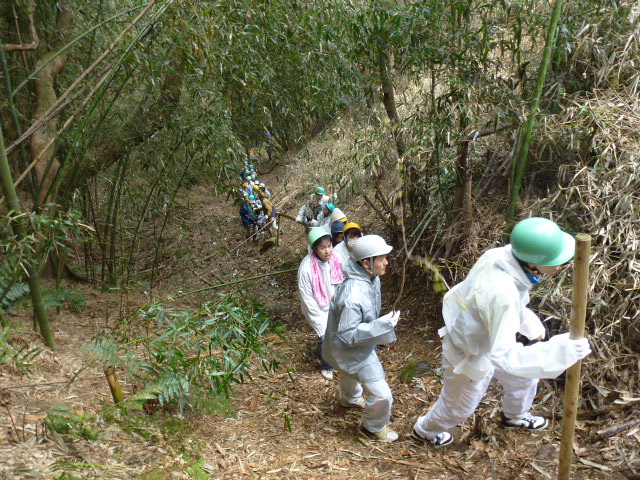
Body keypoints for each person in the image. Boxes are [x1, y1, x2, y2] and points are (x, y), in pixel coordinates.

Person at [412, 217, 592, 447]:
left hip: (485, 334)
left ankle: (514, 417)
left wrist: (524, 318)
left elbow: (487, 299)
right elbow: (505, 356)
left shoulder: (501, 256)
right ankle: (425, 430)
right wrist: (558, 351)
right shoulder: (501, 294)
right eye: (554, 261)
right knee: (459, 406)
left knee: (525, 378)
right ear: (532, 262)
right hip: (469, 352)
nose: (559, 266)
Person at [322, 235, 401, 442]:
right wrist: (383, 325)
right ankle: (373, 426)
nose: (386, 262)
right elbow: (348, 334)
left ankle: (349, 399)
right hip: (350, 346)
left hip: (347, 345)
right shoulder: (353, 293)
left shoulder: (369, 278)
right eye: (382, 258)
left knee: (348, 371)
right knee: (382, 394)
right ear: (367, 263)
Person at [298, 228, 345, 380]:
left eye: (329, 246)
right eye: (322, 247)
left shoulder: (336, 259)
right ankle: (327, 365)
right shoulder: (306, 269)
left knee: (337, 333)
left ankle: (326, 354)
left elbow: (343, 280)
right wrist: (318, 317)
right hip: (317, 307)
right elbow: (307, 297)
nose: (327, 251)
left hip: (335, 303)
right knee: (326, 334)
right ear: (314, 248)